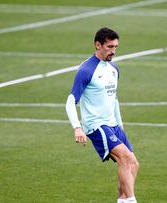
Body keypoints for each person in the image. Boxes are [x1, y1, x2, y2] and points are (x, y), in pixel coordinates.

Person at [65, 27, 139, 203]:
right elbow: (70, 101)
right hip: (96, 125)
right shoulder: (86, 70)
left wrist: (120, 124)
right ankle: (131, 201)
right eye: (110, 47)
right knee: (125, 159)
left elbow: (114, 99)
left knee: (134, 164)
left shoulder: (114, 69)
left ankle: (123, 199)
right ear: (98, 45)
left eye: (116, 47)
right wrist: (77, 128)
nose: (113, 51)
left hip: (112, 124)